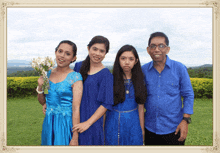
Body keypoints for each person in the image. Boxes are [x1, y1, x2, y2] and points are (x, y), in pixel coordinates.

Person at [142, 32, 194, 145]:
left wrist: (185, 121)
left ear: (167, 49)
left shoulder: (179, 68)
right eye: (153, 46)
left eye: (161, 45)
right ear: (148, 49)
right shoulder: (143, 70)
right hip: (149, 129)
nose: (157, 49)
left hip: (174, 129)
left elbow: (188, 95)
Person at [37, 40, 83, 145]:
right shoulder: (47, 74)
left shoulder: (75, 77)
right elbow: (42, 101)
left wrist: (75, 137)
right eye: (60, 51)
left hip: (65, 124)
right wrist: (40, 87)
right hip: (48, 122)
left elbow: (76, 108)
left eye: (67, 54)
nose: (62, 56)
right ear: (55, 52)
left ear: (73, 58)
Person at [72, 35, 113, 145]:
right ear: (88, 48)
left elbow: (106, 103)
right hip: (73, 118)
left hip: (92, 123)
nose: (97, 53)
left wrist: (87, 123)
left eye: (102, 51)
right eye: (95, 49)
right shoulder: (78, 67)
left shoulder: (106, 75)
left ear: (105, 54)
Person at [104, 45, 147, 145]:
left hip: (133, 121)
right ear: (118, 60)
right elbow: (105, 108)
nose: (127, 62)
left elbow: (141, 107)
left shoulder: (140, 80)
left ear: (136, 61)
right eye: (123, 58)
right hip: (112, 121)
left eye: (131, 59)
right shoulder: (111, 79)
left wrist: (142, 130)